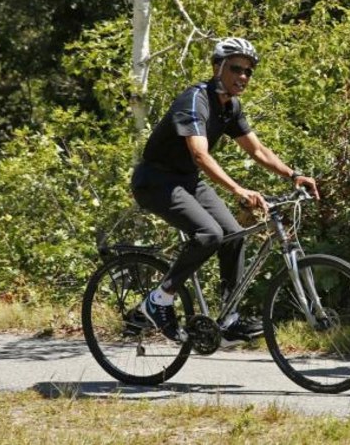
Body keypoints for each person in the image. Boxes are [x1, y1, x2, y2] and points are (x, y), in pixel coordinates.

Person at [131, 37, 319, 345]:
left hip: (188, 180)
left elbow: (257, 149)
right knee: (209, 235)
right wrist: (237, 189)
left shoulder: (230, 106)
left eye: (248, 71)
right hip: (156, 181)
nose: (243, 76)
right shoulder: (196, 100)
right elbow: (200, 155)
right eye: (236, 68)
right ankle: (159, 299)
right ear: (217, 67)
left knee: (233, 236)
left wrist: (293, 174)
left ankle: (229, 318)